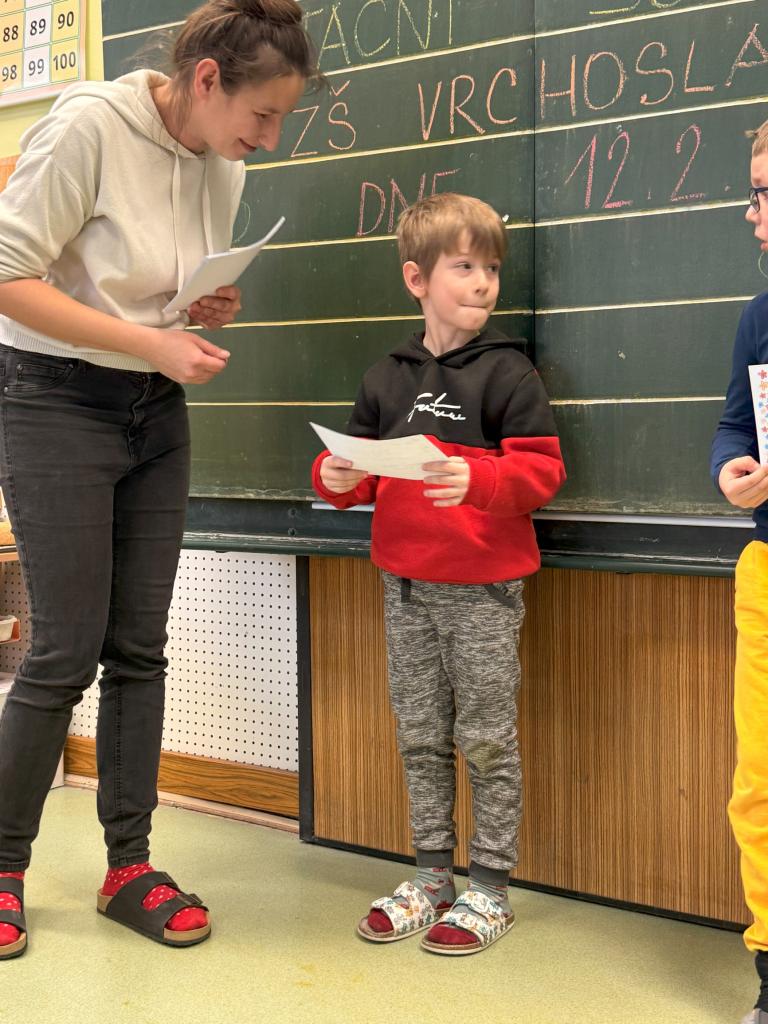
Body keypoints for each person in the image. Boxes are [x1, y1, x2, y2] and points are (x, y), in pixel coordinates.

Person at [0, 0, 317, 958]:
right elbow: (8, 277)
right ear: (207, 79)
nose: (267, 139)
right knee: (65, 648)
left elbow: (153, 288)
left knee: (138, 648)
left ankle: (128, 867)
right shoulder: (90, 125)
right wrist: (148, 340)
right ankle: (3, 869)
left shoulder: (222, 159)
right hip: (51, 398)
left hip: (153, 410)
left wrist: (202, 301)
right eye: (262, 116)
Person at [312, 192, 566, 955]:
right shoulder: (386, 376)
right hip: (406, 587)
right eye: (464, 267)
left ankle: (490, 886)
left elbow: (543, 471)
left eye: (491, 268)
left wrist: (480, 479)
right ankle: (431, 876)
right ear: (417, 278)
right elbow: (354, 469)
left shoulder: (509, 373)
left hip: (482, 589)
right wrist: (333, 476)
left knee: (485, 736)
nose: (483, 282)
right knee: (421, 733)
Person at [711, 118, 768, 1022]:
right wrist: (731, 471)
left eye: (765, 194)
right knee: (760, 783)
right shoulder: (760, 314)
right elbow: (734, 424)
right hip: (767, 565)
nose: (753, 213)